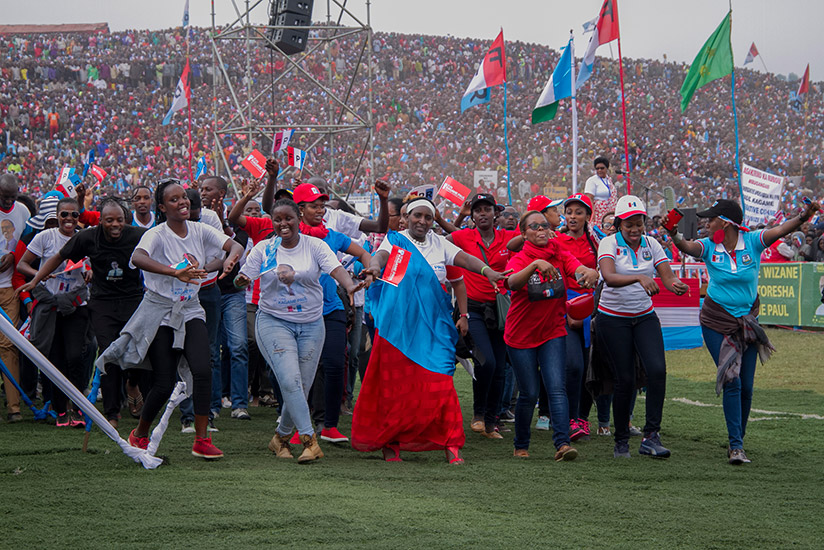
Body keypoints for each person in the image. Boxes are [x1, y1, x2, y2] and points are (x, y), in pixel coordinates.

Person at [351, 197, 508, 463]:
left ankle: (450, 443)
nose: (422, 221)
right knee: (397, 387)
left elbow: (465, 260)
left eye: (428, 217)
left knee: (441, 384)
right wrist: (375, 268)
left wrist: (486, 271)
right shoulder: (396, 240)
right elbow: (380, 256)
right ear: (407, 217)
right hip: (398, 329)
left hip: (435, 328)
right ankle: (391, 443)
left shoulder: (439, 243)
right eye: (418, 216)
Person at [663, 198, 819, 464]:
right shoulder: (708, 245)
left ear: (725, 222)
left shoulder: (754, 241)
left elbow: (781, 230)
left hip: (746, 323)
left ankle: (738, 439)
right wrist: (674, 233)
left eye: (711, 219)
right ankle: (736, 446)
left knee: (746, 387)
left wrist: (804, 217)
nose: (706, 223)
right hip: (715, 322)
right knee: (732, 381)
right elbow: (686, 247)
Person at [98, 179, 243, 460]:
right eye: (174, 200)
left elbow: (233, 244)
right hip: (161, 312)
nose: (183, 203)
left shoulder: (200, 230)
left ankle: (202, 439)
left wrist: (229, 259)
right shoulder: (157, 234)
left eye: (184, 198)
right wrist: (173, 272)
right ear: (162, 207)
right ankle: (140, 433)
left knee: (203, 369)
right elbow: (138, 258)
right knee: (164, 382)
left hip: (190, 308)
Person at [234, 198, 364, 464]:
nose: (283, 224)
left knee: (301, 387)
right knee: (291, 380)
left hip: (311, 323)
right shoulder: (264, 249)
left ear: (298, 219)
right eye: (277, 220)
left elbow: (336, 269)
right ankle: (309, 440)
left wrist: (350, 286)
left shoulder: (314, 246)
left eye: (288, 218)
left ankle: (281, 437)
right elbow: (242, 279)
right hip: (273, 321)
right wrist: (238, 278)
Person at [22, 197, 147, 429]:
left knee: (136, 354)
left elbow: (161, 250)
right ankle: (111, 413)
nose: (115, 225)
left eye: (119, 220)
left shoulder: (137, 235)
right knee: (108, 354)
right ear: (101, 221)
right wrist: (35, 280)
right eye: (109, 220)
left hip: (132, 300)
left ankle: (132, 384)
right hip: (102, 302)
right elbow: (58, 257)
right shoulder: (87, 237)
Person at [596, 195, 689, 459]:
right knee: (624, 379)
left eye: (639, 223)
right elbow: (610, 277)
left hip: (644, 316)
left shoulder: (652, 244)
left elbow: (667, 276)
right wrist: (639, 277)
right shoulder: (609, 242)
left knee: (657, 371)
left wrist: (676, 286)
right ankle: (621, 440)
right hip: (612, 318)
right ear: (619, 225)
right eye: (629, 225)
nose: (635, 229)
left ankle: (651, 436)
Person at [504, 210, 598, 460]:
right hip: (521, 335)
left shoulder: (558, 251)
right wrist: (535, 265)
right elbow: (511, 283)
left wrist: (588, 272)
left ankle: (563, 444)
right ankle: (520, 445)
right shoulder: (519, 257)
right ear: (524, 234)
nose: (542, 229)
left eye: (544, 225)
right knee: (530, 393)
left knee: (557, 388)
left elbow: (576, 267)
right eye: (534, 227)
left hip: (553, 331)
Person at [293, 182, 372, 443]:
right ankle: (296, 427)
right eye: (314, 206)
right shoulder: (289, 238)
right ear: (300, 209)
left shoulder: (333, 236)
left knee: (337, 364)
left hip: (333, 308)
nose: (320, 211)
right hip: (299, 311)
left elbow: (362, 251)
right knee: (301, 370)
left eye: (322, 206)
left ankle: (329, 426)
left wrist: (369, 270)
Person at [447, 193, 516, 439]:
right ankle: (478, 415)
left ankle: (491, 422)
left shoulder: (509, 237)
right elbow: (441, 242)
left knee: (499, 368)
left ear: (496, 213)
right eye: (478, 210)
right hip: (473, 309)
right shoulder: (463, 236)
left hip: (500, 310)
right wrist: (459, 215)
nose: (482, 214)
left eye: (487, 209)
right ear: (473, 215)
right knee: (486, 362)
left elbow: (528, 239)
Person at [17, 198, 90, 427]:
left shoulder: (85, 238)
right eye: (64, 215)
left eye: (74, 215)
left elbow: (96, 264)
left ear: (79, 217)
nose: (69, 219)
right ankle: (60, 410)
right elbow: (22, 265)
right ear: (57, 216)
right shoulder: (45, 237)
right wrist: (40, 275)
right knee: (55, 359)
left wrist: (91, 273)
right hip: (50, 305)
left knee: (75, 357)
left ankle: (78, 407)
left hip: (76, 304)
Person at [554, 193, 600, 441]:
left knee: (591, 369)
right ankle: (569, 418)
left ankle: (582, 418)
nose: (572, 216)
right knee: (574, 366)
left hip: (591, 310)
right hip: (564, 307)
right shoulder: (556, 240)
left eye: (578, 212)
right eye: (569, 211)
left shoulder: (596, 243)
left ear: (587, 217)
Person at [0, 174, 31, 422]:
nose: (8, 200)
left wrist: (14, 256)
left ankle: (14, 408)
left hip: (9, 288)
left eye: (12, 196)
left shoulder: (22, 211)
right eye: (4, 196)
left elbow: (27, 242)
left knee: (8, 345)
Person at [584, 157, 618, 228]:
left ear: (607, 168)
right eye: (597, 168)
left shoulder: (609, 180)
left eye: (602, 168)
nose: (599, 170)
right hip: (597, 214)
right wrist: (592, 214)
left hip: (609, 213)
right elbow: (589, 199)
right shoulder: (592, 180)